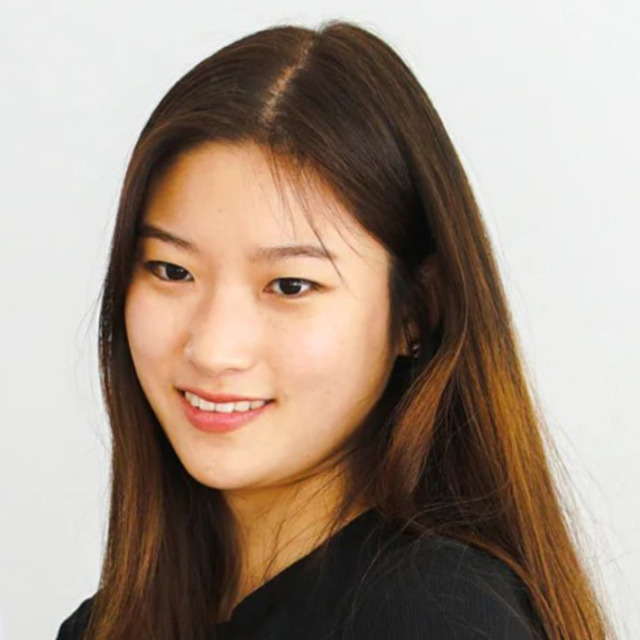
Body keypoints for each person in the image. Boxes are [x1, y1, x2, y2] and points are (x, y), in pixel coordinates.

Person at [55, 19, 614, 640]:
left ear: (416, 311)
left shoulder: (435, 618)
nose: (213, 348)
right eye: (171, 270)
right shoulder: (105, 626)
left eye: (291, 285)